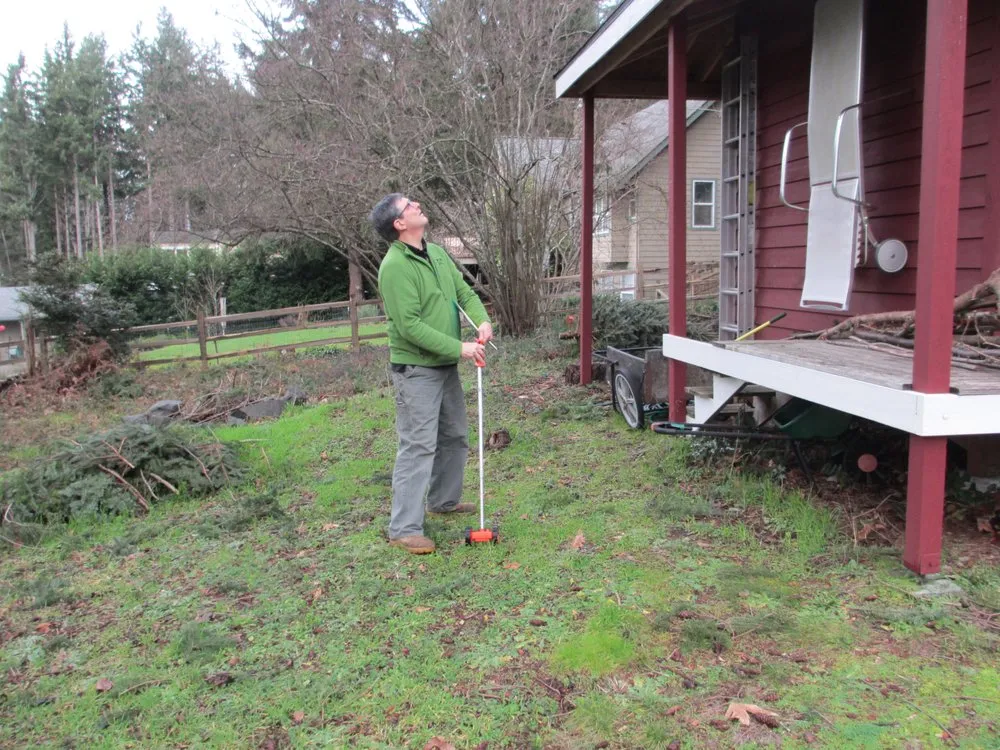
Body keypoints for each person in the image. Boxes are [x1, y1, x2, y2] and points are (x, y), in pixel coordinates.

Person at [369, 193, 493, 554]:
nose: (417, 205)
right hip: (416, 370)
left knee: (454, 435)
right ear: (399, 224)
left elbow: (463, 293)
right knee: (418, 445)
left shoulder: (436, 253)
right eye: (409, 206)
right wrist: (461, 348)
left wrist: (482, 320)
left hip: (444, 365)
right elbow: (408, 327)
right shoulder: (394, 266)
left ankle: (443, 501)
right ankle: (404, 527)